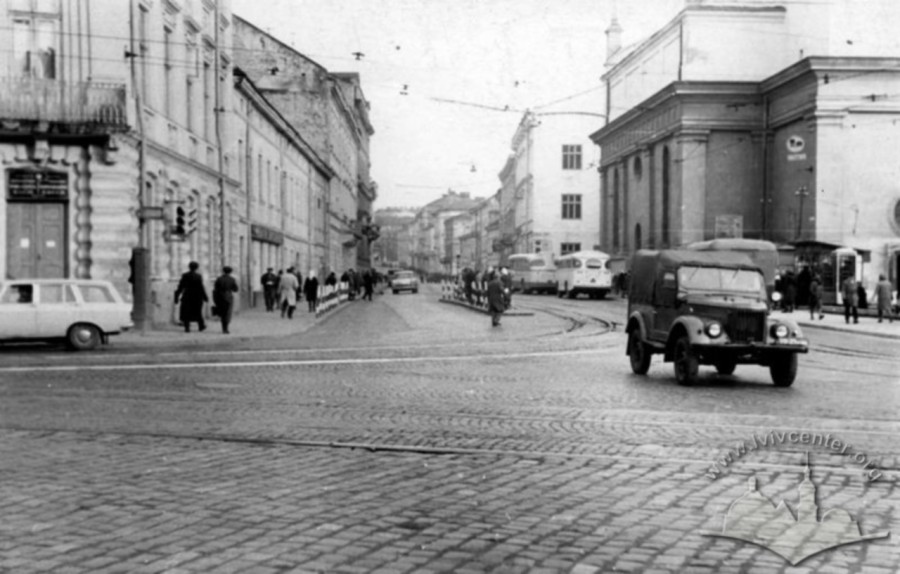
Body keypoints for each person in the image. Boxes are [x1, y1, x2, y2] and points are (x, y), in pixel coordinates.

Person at [174, 261, 208, 333]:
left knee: (186, 311)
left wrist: (176, 295)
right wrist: (205, 297)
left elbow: (181, 286)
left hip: (187, 295)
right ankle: (201, 326)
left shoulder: (185, 275)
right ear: (197, 268)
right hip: (197, 296)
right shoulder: (198, 276)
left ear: (189, 267)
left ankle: (187, 327)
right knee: (198, 311)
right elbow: (201, 287)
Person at [213, 266, 239, 334]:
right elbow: (236, 289)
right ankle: (226, 328)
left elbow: (215, 288)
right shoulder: (232, 279)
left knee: (222, 312)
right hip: (228, 297)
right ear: (230, 272)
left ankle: (223, 327)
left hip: (219, 296)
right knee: (227, 312)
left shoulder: (219, 279)